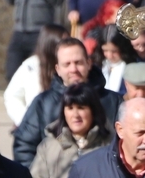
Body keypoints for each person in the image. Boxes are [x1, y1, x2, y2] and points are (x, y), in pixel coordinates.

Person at [15, 37, 122, 166]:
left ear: (88, 63)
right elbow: (24, 147)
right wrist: (40, 176)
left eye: (78, 63)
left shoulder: (114, 101)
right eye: (67, 64)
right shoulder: (43, 104)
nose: (73, 69)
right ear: (58, 69)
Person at [5, 24, 67, 128]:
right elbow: (12, 96)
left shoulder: (69, 66)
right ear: (50, 44)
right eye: (63, 44)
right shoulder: (31, 66)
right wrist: (25, 120)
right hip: (36, 127)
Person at [101, 25, 137, 94]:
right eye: (105, 50)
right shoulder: (99, 66)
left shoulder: (132, 68)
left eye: (114, 51)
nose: (109, 56)